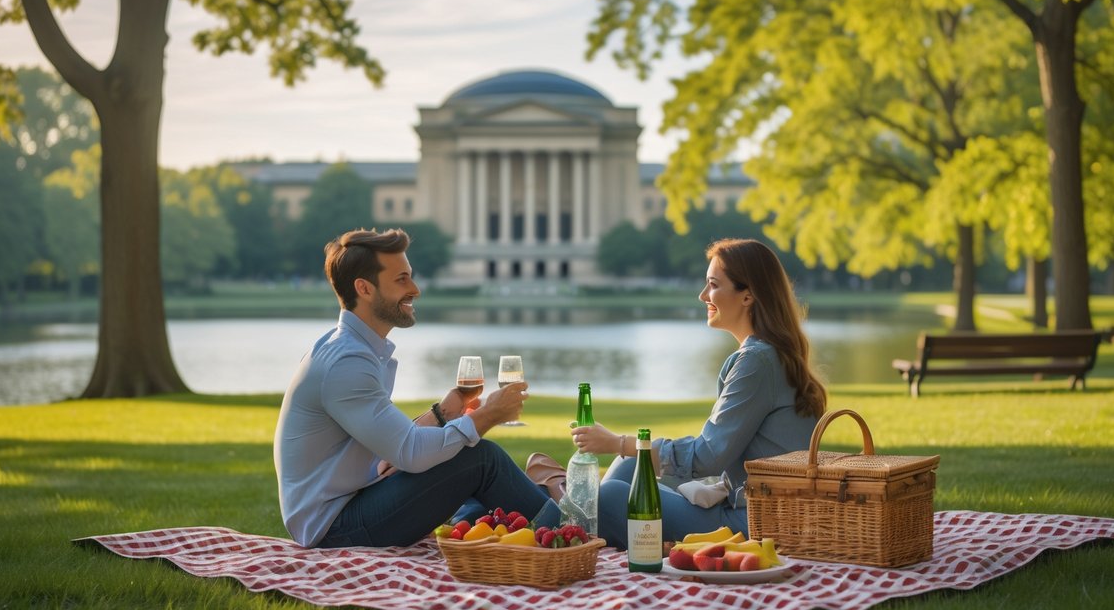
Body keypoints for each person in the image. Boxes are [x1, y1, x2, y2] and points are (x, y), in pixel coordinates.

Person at [273, 228, 559, 548]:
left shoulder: (351, 348)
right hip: (334, 526)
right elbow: (410, 453)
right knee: (480, 459)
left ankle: (541, 506)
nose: (415, 290)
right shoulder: (346, 363)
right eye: (402, 280)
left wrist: (443, 412)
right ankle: (568, 531)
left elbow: (391, 446)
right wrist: (489, 414)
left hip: (355, 499)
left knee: (480, 495)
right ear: (364, 289)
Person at [568, 238, 827, 549]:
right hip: (753, 505)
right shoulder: (768, 354)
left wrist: (616, 442)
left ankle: (560, 533)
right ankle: (596, 531)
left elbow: (707, 457)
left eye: (713, 285)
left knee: (609, 496)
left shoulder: (756, 362)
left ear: (748, 295)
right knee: (628, 468)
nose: (703, 295)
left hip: (757, 522)